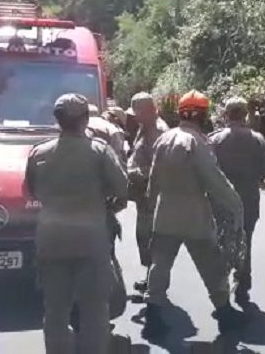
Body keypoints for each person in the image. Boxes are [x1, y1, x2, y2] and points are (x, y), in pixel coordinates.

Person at [25, 93, 128, 354]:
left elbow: (31, 191)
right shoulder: (99, 151)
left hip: (51, 240)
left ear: (57, 120)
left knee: (56, 309)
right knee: (94, 308)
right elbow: (122, 187)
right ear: (85, 119)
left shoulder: (39, 153)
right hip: (90, 240)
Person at [144, 90, 246, 335]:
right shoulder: (198, 143)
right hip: (194, 214)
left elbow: (153, 179)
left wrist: (149, 207)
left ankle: (153, 315)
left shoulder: (164, 138)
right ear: (202, 115)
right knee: (211, 264)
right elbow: (214, 180)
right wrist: (236, 205)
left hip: (164, 211)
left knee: (159, 265)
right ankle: (224, 312)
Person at [208, 96, 265, 306]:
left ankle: (221, 283)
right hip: (249, 199)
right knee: (246, 239)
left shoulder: (216, 140)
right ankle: (243, 278)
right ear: (245, 114)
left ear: (226, 114)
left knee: (220, 239)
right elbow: (264, 169)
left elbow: (208, 169)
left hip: (221, 199)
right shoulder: (258, 140)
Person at [127, 92, 169, 297]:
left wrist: (134, 173)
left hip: (153, 196)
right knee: (144, 238)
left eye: (138, 112)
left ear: (149, 110)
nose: (135, 117)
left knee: (153, 240)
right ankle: (150, 279)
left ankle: (155, 288)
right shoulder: (145, 129)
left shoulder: (159, 132)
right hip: (143, 195)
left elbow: (161, 167)